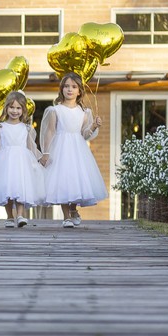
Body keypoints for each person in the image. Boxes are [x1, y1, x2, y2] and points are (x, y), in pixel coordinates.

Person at [40, 72, 106, 228]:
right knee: (63, 179)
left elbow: (84, 134)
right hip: (61, 147)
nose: (70, 89)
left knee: (76, 178)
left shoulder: (83, 113)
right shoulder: (55, 110)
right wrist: (46, 151)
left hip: (77, 149)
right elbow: (50, 131)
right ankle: (66, 216)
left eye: (74, 87)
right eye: (66, 86)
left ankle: (73, 209)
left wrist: (94, 125)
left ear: (79, 91)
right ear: (61, 89)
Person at [0, 91, 47, 228]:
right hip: (5, 160)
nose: (15, 111)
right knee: (7, 189)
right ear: (6, 108)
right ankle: (9, 216)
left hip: (22, 161)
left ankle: (20, 215)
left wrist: (40, 158)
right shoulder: (0, 126)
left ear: (23, 110)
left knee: (20, 187)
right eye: (12, 107)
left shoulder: (26, 128)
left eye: (18, 108)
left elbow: (31, 146)